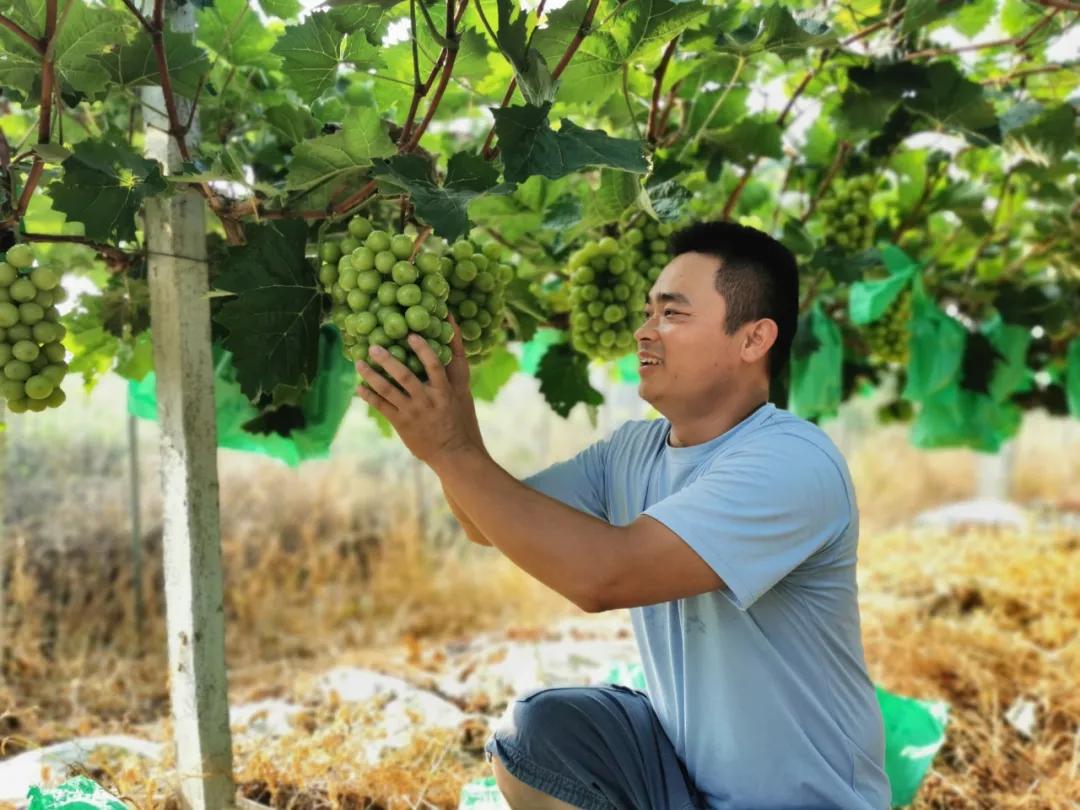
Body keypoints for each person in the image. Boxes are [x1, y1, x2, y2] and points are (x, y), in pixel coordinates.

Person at [354, 221, 890, 810]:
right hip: (688, 783)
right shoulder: (633, 451)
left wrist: (451, 451)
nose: (644, 332)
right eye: (647, 312)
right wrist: (458, 431)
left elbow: (607, 576)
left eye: (672, 315)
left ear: (754, 338)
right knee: (537, 736)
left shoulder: (790, 461)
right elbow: (484, 523)